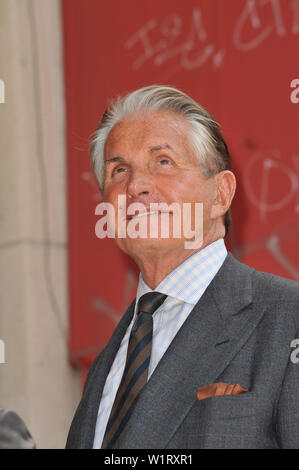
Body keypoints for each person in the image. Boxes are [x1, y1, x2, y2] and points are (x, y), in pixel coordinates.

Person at [66, 85, 299, 449]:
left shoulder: (289, 318)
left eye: (163, 162)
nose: (136, 185)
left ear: (220, 194)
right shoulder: (107, 364)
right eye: (118, 170)